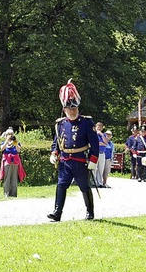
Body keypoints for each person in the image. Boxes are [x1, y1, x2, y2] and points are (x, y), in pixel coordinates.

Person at [47, 79, 98, 221]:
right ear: (64, 110)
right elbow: (57, 142)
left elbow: (94, 144)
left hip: (80, 160)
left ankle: (90, 212)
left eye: (74, 108)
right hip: (65, 161)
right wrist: (54, 153)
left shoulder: (87, 122)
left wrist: (93, 160)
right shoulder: (60, 124)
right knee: (61, 185)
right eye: (69, 109)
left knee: (84, 187)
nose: (73, 111)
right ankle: (57, 212)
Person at [95, 122, 110, 187]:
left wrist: (101, 135)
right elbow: (94, 143)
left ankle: (100, 183)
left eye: (100, 127)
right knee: (94, 169)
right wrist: (100, 144)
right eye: (98, 126)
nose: (99, 128)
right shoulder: (93, 134)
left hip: (102, 153)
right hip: (95, 153)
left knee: (101, 169)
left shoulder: (103, 134)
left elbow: (106, 142)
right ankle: (94, 182)